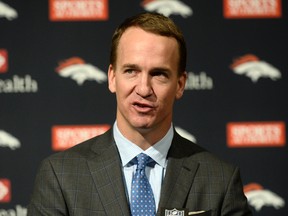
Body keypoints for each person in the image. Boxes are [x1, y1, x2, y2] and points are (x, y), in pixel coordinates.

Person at [28, 12, 252, 216]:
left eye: (159, 74)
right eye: (131, 71)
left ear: (180, 84)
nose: (144, 89)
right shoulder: (60, 176)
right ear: (112, 77)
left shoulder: (220, 180)